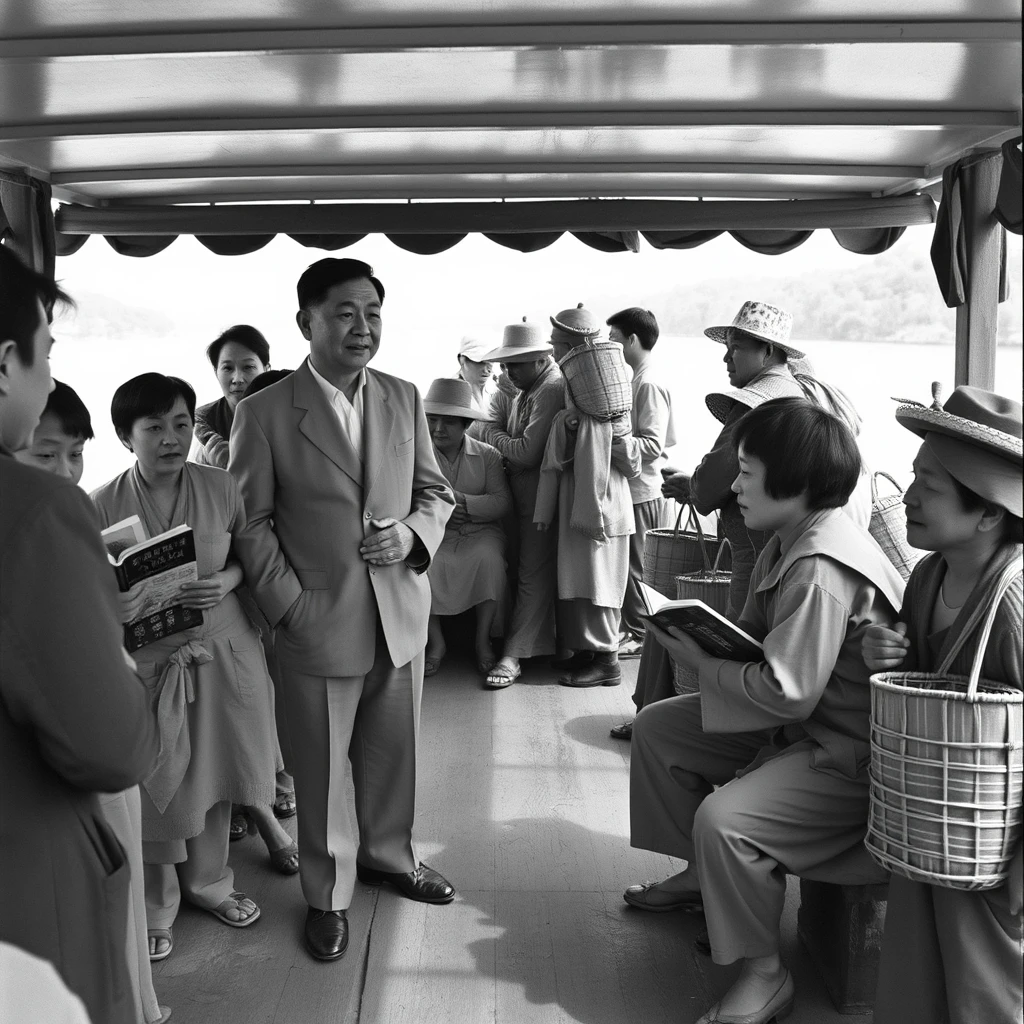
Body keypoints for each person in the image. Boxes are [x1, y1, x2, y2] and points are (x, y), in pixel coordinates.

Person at [625, 398, 904, 1024]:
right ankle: (705, 876)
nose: (736, 484)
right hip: (802, 728)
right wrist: (697, 635)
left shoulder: (819, 568)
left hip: (847, 755)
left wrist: (696, 659)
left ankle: (764, 972)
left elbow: (788, 691)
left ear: (796, 482)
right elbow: (756, 639)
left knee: (728, 820)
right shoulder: (788, 540)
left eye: (747, 471)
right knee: (661, 728)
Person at [229, 257, 456, 964]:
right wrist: (288, 605)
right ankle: (327, 895)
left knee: (395, 754)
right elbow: (250, 521)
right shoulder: (263, 412)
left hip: (399, 614)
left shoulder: (402, 395)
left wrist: (414, 535)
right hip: (315, 621)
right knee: (322, 774)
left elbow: (436, 492)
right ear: (307, 322)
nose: (364, 328)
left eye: (374, 313)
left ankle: (391, 856)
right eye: (346, 313)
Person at [0, 244, 159, 1024]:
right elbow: (110, 747)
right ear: (5, 363)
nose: (48, 376)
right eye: (46, 354)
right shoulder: (33, 513)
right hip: (24, 895)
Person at [91, 373, 283, 963]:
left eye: (180, 423)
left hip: (222, 647)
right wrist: (112, 598)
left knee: (217, 775)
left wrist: (223, 579)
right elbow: (88, 588)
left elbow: (252, 559)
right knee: (159, 783)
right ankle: (158, 902)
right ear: (127, 438)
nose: (171, 438)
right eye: (154, 428)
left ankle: (210, 885)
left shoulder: (223, 486)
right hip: (151, 658)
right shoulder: (101, 503)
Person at [863, 384, 1023, 1024]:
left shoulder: (1011, 606)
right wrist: (884, 652)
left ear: (988, 512)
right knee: (916, 965)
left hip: (995, 836)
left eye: (928, 485)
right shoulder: (929, 576)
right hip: (932, 815)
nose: (907, 498)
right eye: (913, 477)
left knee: (984, 978)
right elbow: (922, 678)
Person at [534, 304, 641, 688]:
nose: (553, 351)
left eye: (559, 343)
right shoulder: (573, 383)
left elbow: (630, 457)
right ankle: (587, 651)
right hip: (578, 490)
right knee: (579, 576)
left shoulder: (612, 387)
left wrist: (592, 429)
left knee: (600, 577)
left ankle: (608, 661)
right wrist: (571, 425)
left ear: (577, 344)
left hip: (603, 495)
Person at [476, 319, 566, 688]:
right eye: (506, 364)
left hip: (538, 501)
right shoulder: (526, 389)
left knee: (531, 574)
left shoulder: (548, 390)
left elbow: (526, 453)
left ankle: (514, 654)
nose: (507, 372)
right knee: (526, 571)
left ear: (540, 360)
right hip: (524, 498)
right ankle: (532, 645)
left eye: (515, 364)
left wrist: (490, 433)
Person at [423, 377, 511, 677]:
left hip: (481, 533)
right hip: (436, 533)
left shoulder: (487, 455)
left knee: (489, 560)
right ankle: (436, 644)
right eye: (432, 420)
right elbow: (408, 500)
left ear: (465, 425)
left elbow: (501, 502)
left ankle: (482, 640)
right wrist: (444, 513)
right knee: (423, 562)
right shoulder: (416, 456)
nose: (438, 429)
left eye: (448, 422)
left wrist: (463, 503)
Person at [607, 307, 676, 658]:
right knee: (631, 563)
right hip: (634, 489)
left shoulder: (646, 382)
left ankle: (638, 633)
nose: (609, 345)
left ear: (632, 340)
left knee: (637, 566)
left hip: (642, 491)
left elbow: (653, 444)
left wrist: (610, 438)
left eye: (613, 339)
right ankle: (634, 629)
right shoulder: (637, 378)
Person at [192, 324, 270, 469]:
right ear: (216, 373)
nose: (237, 379)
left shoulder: (288, 413)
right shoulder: (203, 422)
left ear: (266, 369)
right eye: (228, 368)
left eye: (248, 367)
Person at [455, 335, 499, 414]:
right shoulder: (451, 393)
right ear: (461, 360)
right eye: (480, 362)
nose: (486, 369)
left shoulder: (495, 389)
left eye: (491, 361)